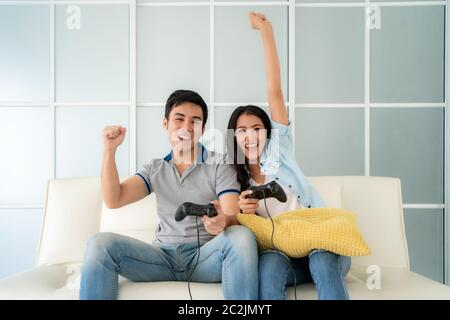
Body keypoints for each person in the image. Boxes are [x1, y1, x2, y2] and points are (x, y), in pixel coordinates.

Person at [80, 89, 259, 300]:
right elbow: (113, 199)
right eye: (179, 119)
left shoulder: (219, 164)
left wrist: (223, 221)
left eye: (195, 121)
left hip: (205, 257)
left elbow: (231, 215)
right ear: (165, 123)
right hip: (160, 258)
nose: (186, 128)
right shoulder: (155, 168)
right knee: (99, 244)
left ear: (202, 129)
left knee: (242, 236)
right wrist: (109, 150)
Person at [225, 12, 351, 300]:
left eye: (257, 128)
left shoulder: (278, 151)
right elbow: (229, 226)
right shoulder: (233, 176)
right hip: (283, 255)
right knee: (268, 265)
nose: (250, 135)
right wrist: (242, 214)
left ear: (268, 133)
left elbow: (275, 91)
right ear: (234, 136)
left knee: (321, 257)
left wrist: (265, 31)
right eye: (242, 130)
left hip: (322, 245)